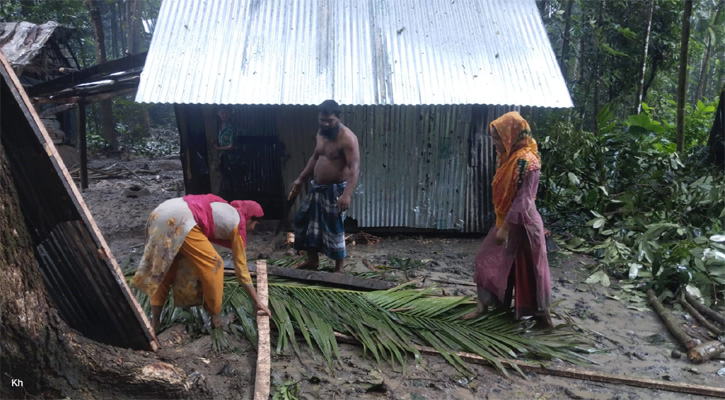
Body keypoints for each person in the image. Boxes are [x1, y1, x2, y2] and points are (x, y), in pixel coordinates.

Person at [463, 111, 553, 328]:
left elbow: (524, 200)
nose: (495, 143)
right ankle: (483, 306)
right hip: (508, 221)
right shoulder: (509, 159)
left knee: (532, 270)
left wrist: (504, 229)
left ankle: (544, 317)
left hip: (525, 224)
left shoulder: (528, 162)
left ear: (510, 136)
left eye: (497, 138)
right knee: (486, 259)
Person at [131, 194, 271, 333]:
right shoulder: (237, 223)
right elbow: (241, 270)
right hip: (181, 219)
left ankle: (155, 321)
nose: (252, 229)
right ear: (250, 218)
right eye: (254, 224)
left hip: (160, 213)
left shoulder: (225, 207)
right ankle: (216, 317)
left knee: (163, 269)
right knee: (214, 264)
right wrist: (257, 301)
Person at [288, 100, 360, 273]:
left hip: (335, 190)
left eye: (330, 121)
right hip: (317, 188)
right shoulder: (321, 133)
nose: (326, 124)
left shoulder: (347, 137)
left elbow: (355, 168)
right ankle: (312, 261)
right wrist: (300, 179)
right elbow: (315, 158)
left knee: (334, 227)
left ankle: (339, 269)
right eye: (322, 120)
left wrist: (346, 194)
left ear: (339, 117)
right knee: (304, 220)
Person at [215, 106, 238, 199]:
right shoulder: (218, 127)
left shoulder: (231, 128)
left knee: (232, 184)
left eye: (226, 113)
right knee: (225, 183)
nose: (223, 115)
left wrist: (217, 148)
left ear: (229, 114)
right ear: (218, 113)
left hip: (232, 160)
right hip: (223, 160)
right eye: (222, 112)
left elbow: (231, 146)